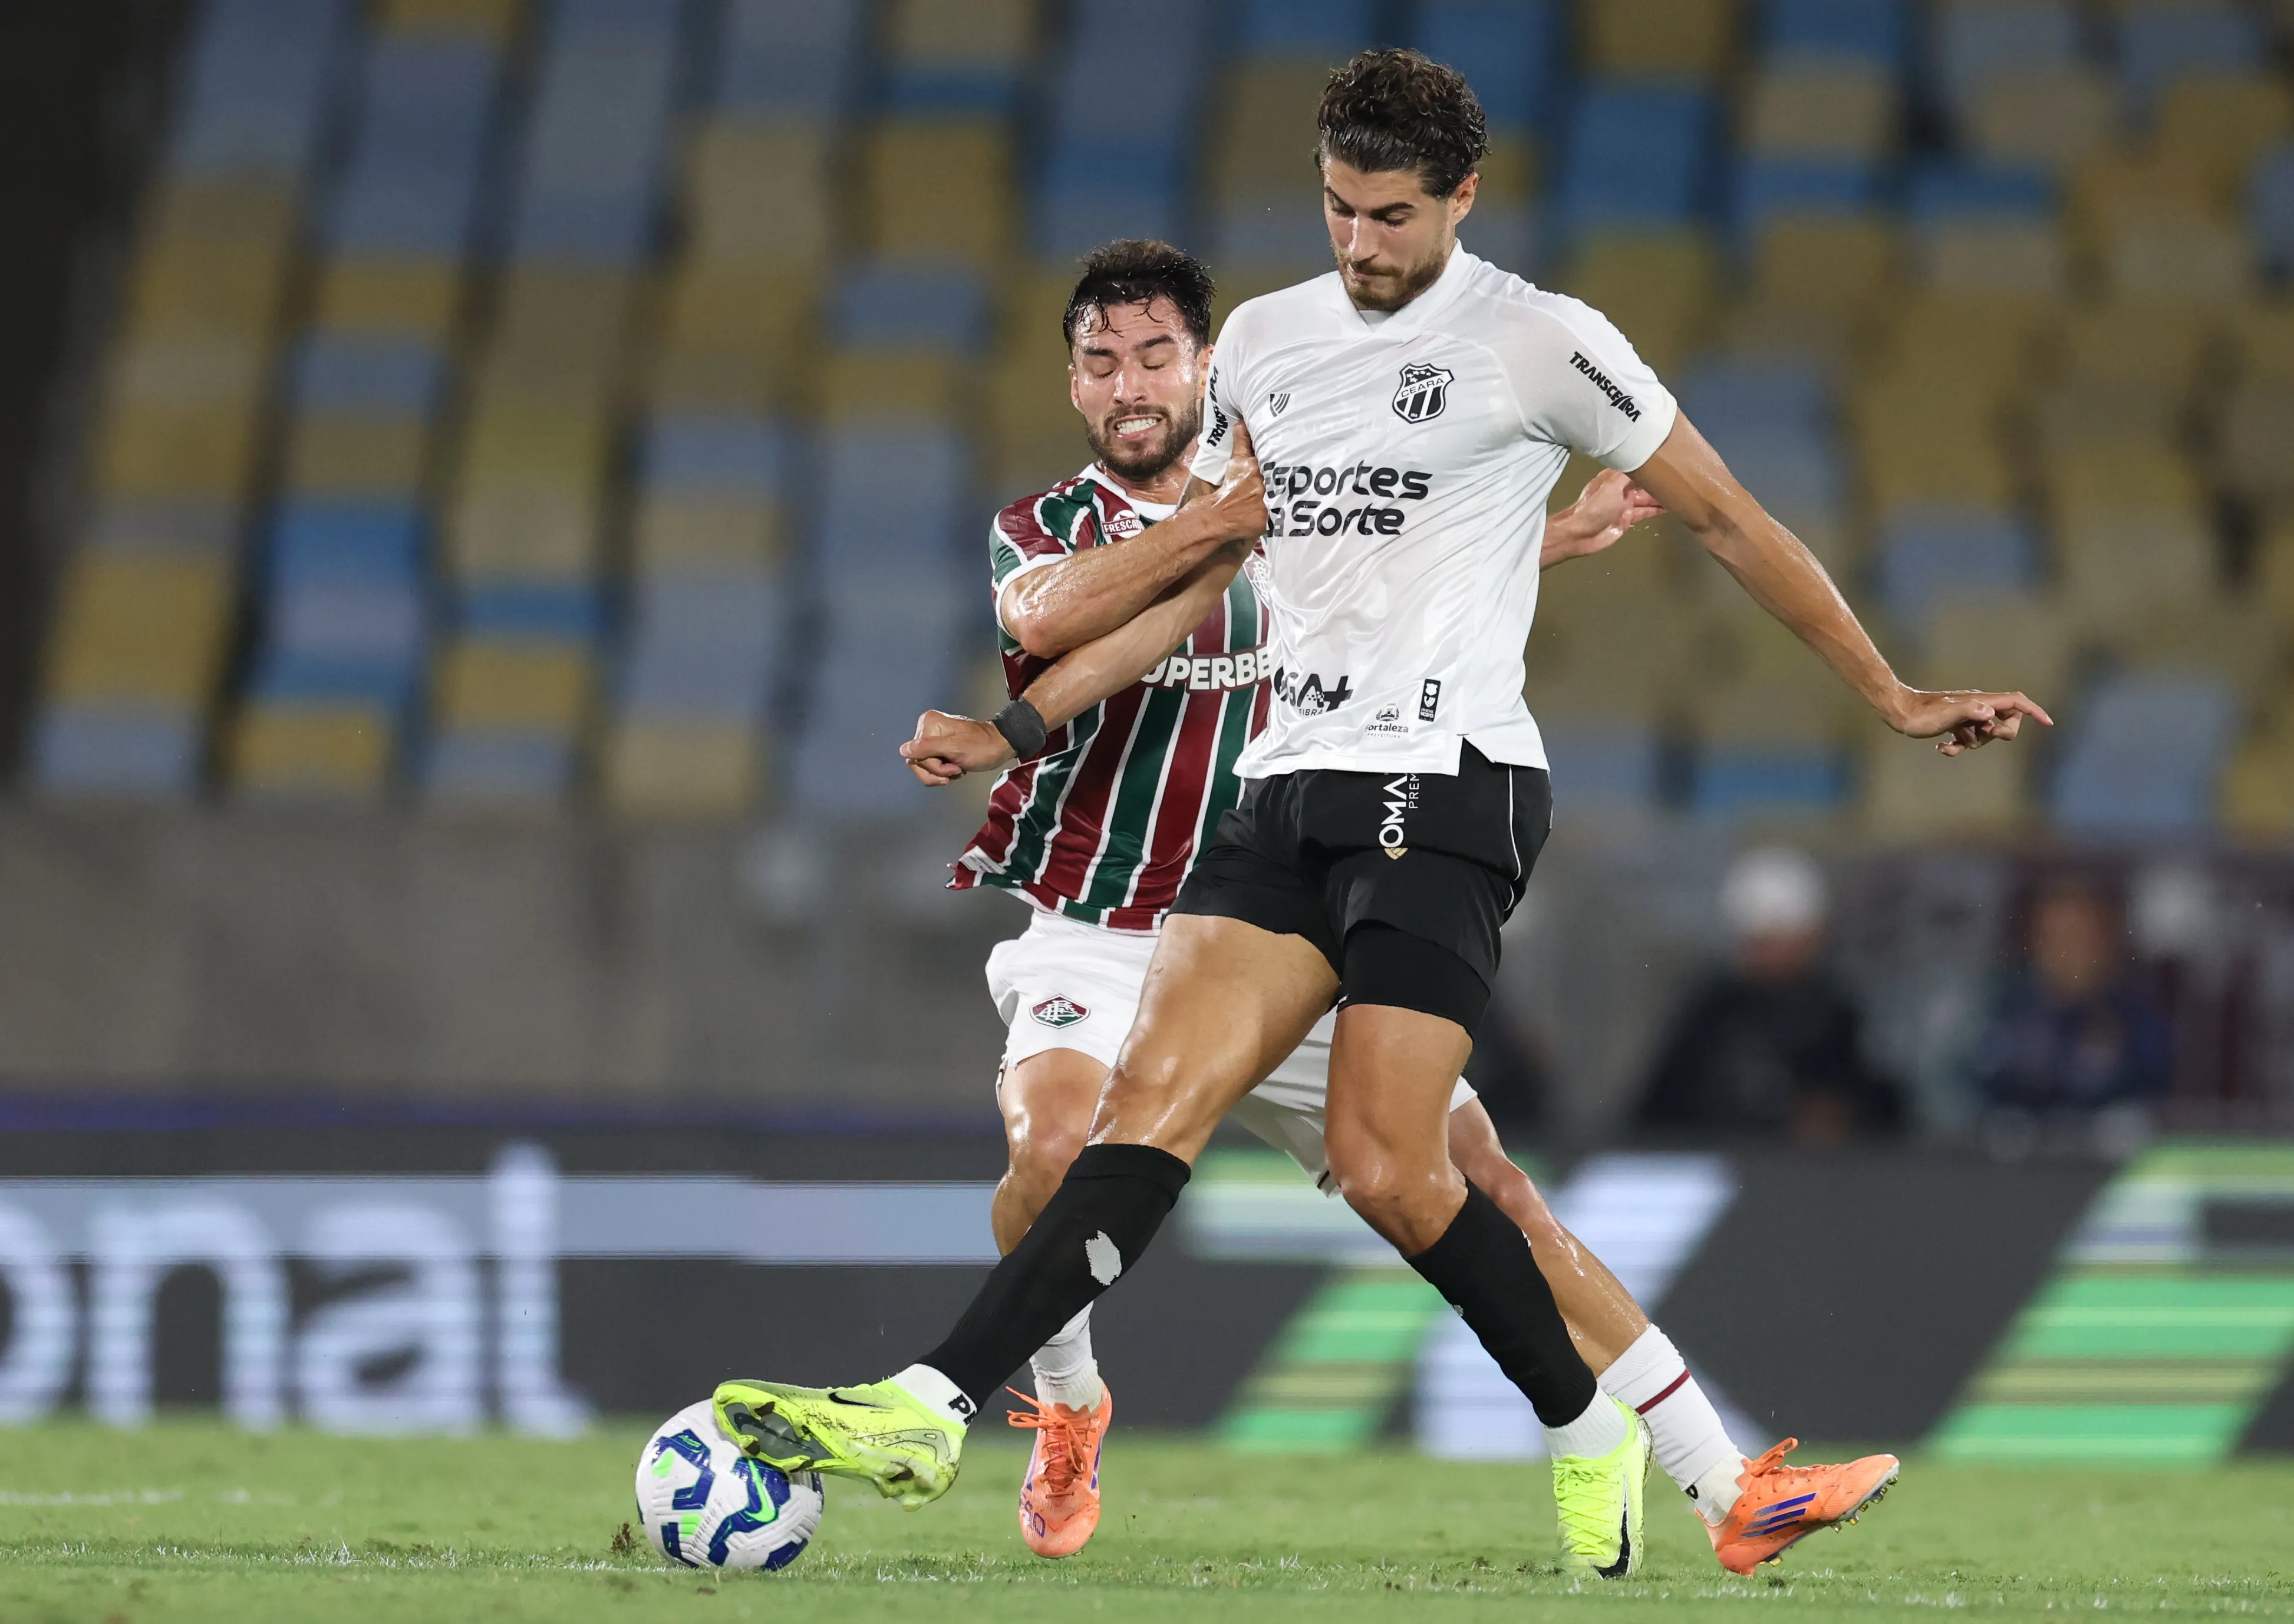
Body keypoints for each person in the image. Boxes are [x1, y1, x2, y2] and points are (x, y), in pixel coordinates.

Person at [711, 48, 2044, 1576]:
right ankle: (980, 1403)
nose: (1359, 241)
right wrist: (1017, 723)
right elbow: (1173, 593)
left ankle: (1692, 1463)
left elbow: (1672, 527)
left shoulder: (1509, 355)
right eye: (1340, 208)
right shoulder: (1184, 415)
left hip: (1389, 826)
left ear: (1460, 197)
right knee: (1105, 1135)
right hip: (1201, 854)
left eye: (1391, 214)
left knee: (1428, 1176)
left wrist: (1879, 687)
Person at [922, 238, 1711, 1563]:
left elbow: (1398, 591)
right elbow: (1053, 621)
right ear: (1070, 384)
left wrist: (1551, 538)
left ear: (1205, 366)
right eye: (1100, 361)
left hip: (1278, 925)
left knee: (1484, 1188)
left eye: (1156, 355)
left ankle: (1711, 1469)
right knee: (1049, 1154)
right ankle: (1067, 1402)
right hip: (1105, 928)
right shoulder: (1047, 527)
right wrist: (1223, 522)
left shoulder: (1300, 482)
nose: (1129, 384)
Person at [1636, 847, 1902, 1145]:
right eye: (1755, 943)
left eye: (1775, 941)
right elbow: (1656, 1115)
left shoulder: (1842, 1012)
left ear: (1812, 937)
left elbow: (1888, 1111)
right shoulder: (1712, 1012)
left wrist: (1842, 1118)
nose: (1763, 956)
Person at [1974, 876, 2171, 1156]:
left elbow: (2153, 1083)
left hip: (2110, 1158)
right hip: (2020, 1159)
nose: (2067, 953)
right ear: (2035, 943)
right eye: (2056, 938)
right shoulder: (2006, 1009)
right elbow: (1981, 1084)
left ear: (2106, 944)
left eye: (2080, 938)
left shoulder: (2135, 1017)